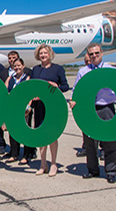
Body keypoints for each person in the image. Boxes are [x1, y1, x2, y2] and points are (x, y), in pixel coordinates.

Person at [69, 43, 116, 184]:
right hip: (89, 108)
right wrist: (73, 101)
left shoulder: (111, 70)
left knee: (111, 140)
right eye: (91, 54)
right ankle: (92, 170)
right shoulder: (83, 71)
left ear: (102, 53)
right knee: (90, 142)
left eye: (97, 53)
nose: (94, 56)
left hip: (107, 107)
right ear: (88, 55)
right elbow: (77, 90)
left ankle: (111, 171)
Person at [30, 44, 69, 177]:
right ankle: (42, 164)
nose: (43, 55)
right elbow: (32, 87)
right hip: (39, 106)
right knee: (41, 135)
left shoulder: (57, 69)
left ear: (50, 54)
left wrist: (56, 85)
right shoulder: (35, 70)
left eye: (45, 53)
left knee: (52, 135)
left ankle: (53, 163)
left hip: (52, 107)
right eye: (41, 53)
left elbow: (65, 86)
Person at [3, 58, 33, 165]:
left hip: (24, 109)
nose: (17, 68)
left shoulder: (27, 78)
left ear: (23, 66)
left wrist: (29, 106)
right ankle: (14, 155)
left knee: (24, 131)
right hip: (13, 109)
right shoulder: (10, 79)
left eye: (19, 65)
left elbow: (30, 93)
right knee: (13, 132)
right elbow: (5, 93)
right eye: (15, 66)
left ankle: (26, 156)